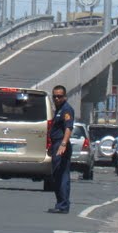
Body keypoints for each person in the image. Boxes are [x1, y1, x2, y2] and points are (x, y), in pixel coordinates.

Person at [47, 85, 74, 214]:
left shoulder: (66, 109)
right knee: (56, 175)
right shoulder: (58, 110)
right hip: (56, 144)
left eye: (59, 96)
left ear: (65, 97)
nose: (57, 98)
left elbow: (68, 128)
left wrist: (63, 144)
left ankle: (63, 205)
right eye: (55, 96)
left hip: (61, 145)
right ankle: (60, 204)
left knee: (62, 176)